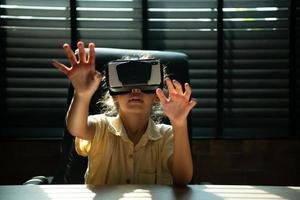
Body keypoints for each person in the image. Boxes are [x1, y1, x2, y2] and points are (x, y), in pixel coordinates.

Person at [52, 41, 197, 186]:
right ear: (114, 96)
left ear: (156, 96)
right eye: (127, 85)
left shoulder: (167, 136)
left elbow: (182, 178)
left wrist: (179, 123)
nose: (135, 91)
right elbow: (76, 128)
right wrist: (81, 95)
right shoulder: (101, 127)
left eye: (143, 84)